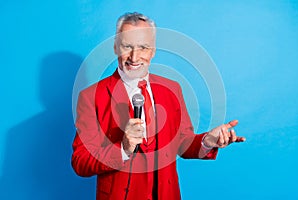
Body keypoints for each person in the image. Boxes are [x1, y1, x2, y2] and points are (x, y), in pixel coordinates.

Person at [72, 12, 246, 200]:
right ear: (115, 47)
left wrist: (207, 140)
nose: (134, 56)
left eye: (143, 47)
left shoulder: (172, 89)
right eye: (127, 46)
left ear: (153, 51)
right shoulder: (91, 97)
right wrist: (123, 148)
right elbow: (80, 162)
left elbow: (182, 144)